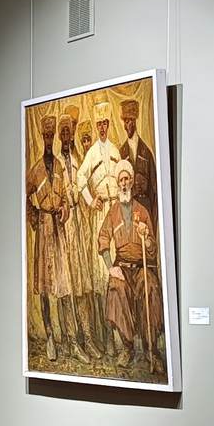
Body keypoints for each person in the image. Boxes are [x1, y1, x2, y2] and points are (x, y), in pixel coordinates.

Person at [97, 162, 163, 371]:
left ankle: (151, 350)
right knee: (116, 287)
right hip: (122, 267)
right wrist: (111, 267)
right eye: (121, 180)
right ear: (118, 184)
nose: (124, 183)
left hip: (142, 267)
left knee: (150, 287)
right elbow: (103, 239)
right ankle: (127, 347)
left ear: (132, 181)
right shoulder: (113, 212)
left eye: (127, 179)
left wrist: (147, 237)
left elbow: (153, 250)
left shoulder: (142, 211)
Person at [26, 110, 75, 362]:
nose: (48, 139)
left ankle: (69, 338)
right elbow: (24, 196)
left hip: (59, 229)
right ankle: (49, 337)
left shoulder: (58, 166)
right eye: (45, 135)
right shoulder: (35, 170)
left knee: (63, 283)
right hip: (44, 229)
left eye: (50, 135)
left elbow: (64, 196)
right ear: (41, 136)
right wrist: (35, 217)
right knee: (45, 287)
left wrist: (64, 208)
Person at [56, 109, 105, 362]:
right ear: (59, 136)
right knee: (68, 288)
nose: (66, 135)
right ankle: (73, 342)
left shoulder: (79, 159)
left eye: (69, 131)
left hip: (80, 225)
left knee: (83, 286)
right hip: (63, 230)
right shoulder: (55, 163)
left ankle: (88, 338)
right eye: (62, 132)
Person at [73, 102, 123, 348]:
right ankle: (107, 337)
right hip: (101, 213)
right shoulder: (92, 152)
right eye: (99, 124)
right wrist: (90, 200)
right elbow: (79, 178)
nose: (102, 128)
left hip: (116, 213)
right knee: (103, 274)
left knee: (117, 272)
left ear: (109, 124)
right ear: (95, 126)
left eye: (105, 124)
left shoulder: (115, 150)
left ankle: (119, 336)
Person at [117, 98, 157, 211]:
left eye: (128, 121)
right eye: (124, 122)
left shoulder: (146, 152)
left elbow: (154, 188)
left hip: (145, 207)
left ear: (134, 121)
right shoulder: (121, 152)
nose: (125, 126)